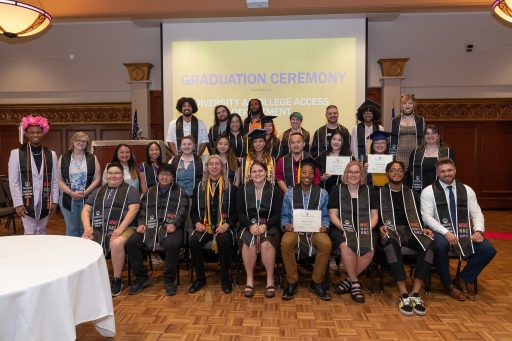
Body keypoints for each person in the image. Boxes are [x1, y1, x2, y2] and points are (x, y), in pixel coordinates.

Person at [421, 158, 496, 301]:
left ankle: (462, 278)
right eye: (442, 171)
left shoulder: (467, 190)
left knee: (488, 250)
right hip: (441, 232)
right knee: (440, 246)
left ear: (455, 170)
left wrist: (479, 230)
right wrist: (446, 232)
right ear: (437, 173)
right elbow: (427, 217)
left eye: (449, 170)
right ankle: (448, 285)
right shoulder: (428, 192)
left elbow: (476, 213)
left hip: (463, 233)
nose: (447, 174)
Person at [379, 161, 434, 316]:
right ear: (387, 173)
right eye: (392, 170)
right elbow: (374, 215)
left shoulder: (412, 194)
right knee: (390, 245)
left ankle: (415, 293)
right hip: (390, 230)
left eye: (399, 170)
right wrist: (379, 227)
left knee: (429, 245)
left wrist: (424, 228)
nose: (396, 173)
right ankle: (403, 293)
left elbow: (420, 215)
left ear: (404, 174)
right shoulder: (379, 193)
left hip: (411, 230)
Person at [126, 164, 189, 296]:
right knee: (131, 242)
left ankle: (169, 280)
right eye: (162, 174)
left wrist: (175, 224)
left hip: (170, 227)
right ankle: (142, 277)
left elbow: (183, 211)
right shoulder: (149, 192)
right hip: (150, 228)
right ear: (157, 176)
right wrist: (141, 223)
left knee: (172, 245)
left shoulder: (181, 191)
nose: (164, 177)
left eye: (168, 174)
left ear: (173, 177)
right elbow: (142, 210)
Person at [82, 162, 140, 296]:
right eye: (110, 173)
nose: (113, 176)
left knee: (117, 243)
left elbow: (134, 209)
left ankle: (117, 279)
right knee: (85, 241)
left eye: (117, 173)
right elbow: (86, 210)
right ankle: (91, 280)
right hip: (99, 227)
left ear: (123, 175)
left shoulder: (130, 190)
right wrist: (87, 227)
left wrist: (120, 229)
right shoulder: (97, 192)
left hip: (126, 227)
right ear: (106, 175)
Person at [281, 158, 332, 301]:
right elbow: (284, 215)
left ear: (314, 175)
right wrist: (286, 225)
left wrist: (325, 225)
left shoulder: (323, 194)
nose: (307, 176)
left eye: (310, 173)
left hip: (316, 231)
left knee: (326, 244)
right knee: (286, 242)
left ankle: (316, 282)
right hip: (294, 230)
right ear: (299, 173)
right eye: (304, 172)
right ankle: (292, 281)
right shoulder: (289, 193)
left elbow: (326, 216)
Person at [328, 161, 379, 303]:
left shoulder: (369, 190)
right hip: (342, 227)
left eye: (357, 172)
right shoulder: (336, 189)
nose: (353, 175)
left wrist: (368, 229)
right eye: (350, 172)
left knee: (370, 249)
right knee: (345, 245)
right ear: (346, 173)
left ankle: (349, 281)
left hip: (365, 227)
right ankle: (356, 284)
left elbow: (374, 215)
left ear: (361, 174)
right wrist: (344, 228)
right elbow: (333, 215)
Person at [189, 155, 238, 294]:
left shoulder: (231, 188)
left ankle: (225, 278)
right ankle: (200, 278)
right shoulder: (199, 187)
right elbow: (193, 211)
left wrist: (227, 224)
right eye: (211, 164)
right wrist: (196, 222)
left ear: (222, 167)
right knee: (194, 241)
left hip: (224, 226)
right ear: (207, 167)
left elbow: (235, 213)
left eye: (218, 164)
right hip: (205, 226)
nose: (214, 166)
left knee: (223, 241)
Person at [237, 161, 282, 298]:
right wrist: (250, 226)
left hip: (269, 225)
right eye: (254, 171)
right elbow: (240, 213)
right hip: (248, 225)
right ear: (250, 174)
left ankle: (270, 280)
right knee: (248, 242)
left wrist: (265, 226)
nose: (257, 174)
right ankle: (249, 280)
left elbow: (277, 214)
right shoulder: (243, 189)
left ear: (266, 172)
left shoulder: (274, 190)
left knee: (267, 243)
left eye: (260, 171)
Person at [8, 115, 59, 235]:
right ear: (26, 134)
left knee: (42, 231)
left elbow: (55, 180)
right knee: (29, 232)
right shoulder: (16, 154)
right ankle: (29, 253)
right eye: (32, 133)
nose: (35, 135)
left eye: (38, 132)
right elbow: (13, 181)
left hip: (45, 199)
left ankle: (42, 253)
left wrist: (54, 201)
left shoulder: (51, 154)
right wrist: (18, 203)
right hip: (26, 201)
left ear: (43, 133)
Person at [58, 132, 101, 237]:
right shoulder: (63, 157)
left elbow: (97, 178)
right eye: (78, 140)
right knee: (72, 228)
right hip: (68, 198)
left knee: (85, 227)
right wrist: (70, 192)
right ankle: (72, 252)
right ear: (73, 141)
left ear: (87, 144)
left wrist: (86, 192)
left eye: (84, 141)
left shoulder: (92, 158)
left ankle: (85, 252)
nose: (81, 143)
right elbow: (57, 179)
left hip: (87, 197)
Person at [408, 123, 456, 192]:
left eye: (433, 133)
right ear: (424, 136)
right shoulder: (416, 152)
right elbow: (412, 172)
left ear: (438, 136)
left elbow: (451, 171)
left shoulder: (447, 152)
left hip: (442, 190)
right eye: (427, 133)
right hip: (420, 190)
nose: (430, 136)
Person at [390, 94, 425, 169]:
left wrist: (422, 154)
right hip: (399, 156)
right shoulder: (395, 120)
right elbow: (393, 140)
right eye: (405, 103)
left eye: (410, 103)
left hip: (416, 155)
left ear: (414, 105)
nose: (407, 105)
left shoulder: (420, 120)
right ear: (401, 105)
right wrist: (392, 157)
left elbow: (422, 139)